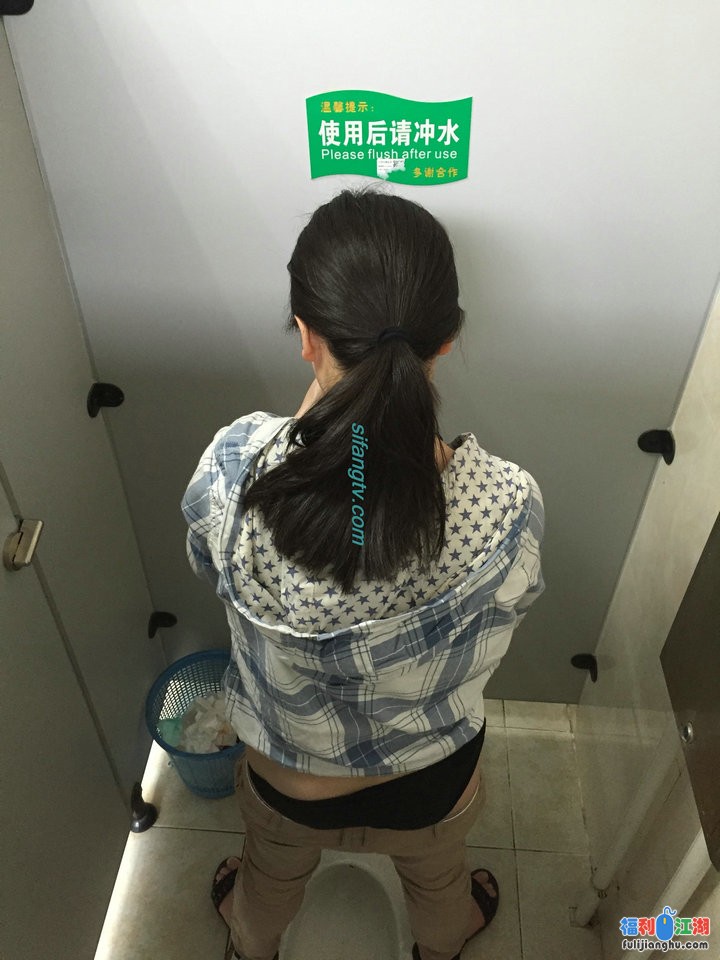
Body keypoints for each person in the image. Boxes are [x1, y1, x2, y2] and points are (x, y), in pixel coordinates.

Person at [181, 187, 545, 960]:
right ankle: (443, 946)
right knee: (439, 886)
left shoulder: (234, 472)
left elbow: (207, 566)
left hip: (285, 783)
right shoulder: (508, 504)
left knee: (266, 882)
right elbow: (514, 607)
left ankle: (250, 944)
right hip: (432, 786)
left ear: (304, 335)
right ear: (445, 344)